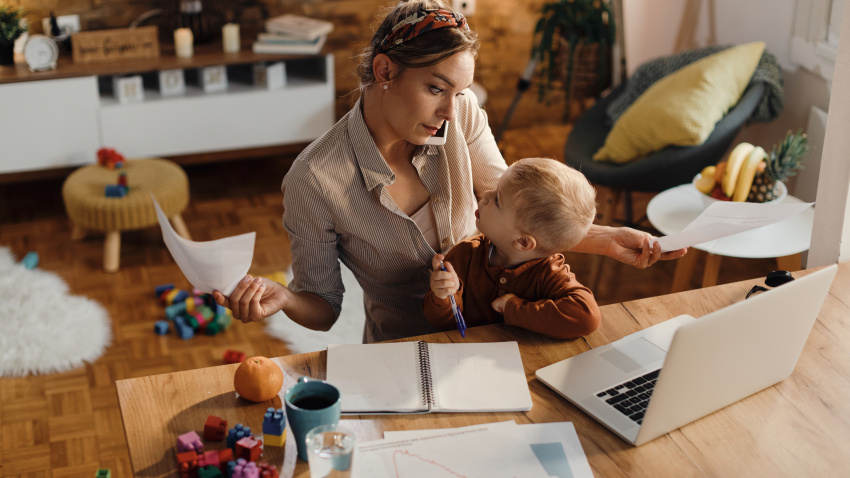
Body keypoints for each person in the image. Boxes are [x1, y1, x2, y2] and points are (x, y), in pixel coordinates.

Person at [213, 0, 686, 343]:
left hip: (498, 339)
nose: (450, 110)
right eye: (437, 88)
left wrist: (603, 239)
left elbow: (520, 217)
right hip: (404, 350)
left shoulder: (463, 116)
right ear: (384, 71)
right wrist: (285, 298)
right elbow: (323, 309)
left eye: (459, 91)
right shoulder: (313, 180)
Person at [425, 158, 601, 339]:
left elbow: (587, 318)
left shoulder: (550, 273)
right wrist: (443, 296)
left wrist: (514, 308)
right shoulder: (464, 255)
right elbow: (439, 321)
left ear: (523, 242)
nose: (485, 195)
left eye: (497, 200)